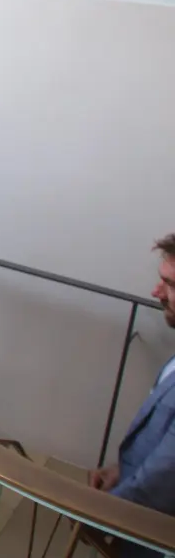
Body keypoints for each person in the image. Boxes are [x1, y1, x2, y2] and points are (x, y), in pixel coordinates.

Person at [88, 234, 175, 556]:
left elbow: (167, 472)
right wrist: (122, 470)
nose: (156, 293)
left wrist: (102, 514)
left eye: (169, 284)